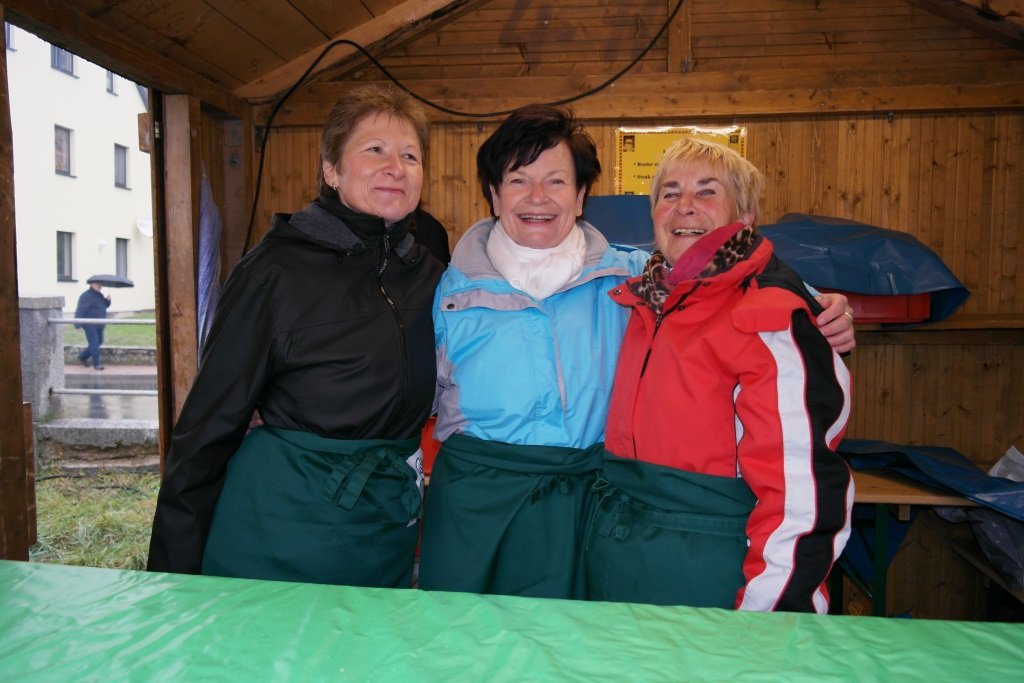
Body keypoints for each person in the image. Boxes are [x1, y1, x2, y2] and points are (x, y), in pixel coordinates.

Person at [417, 105, 855, 600]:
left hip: (591, 506)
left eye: (556, 181)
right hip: (478, 508)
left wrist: (825, 308)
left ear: (581, 196)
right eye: (518, 180)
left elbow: (734, 279)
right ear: (494, 195)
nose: (538, 197)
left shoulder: (633, 280)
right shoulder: (445, 291)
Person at [147, 84, 445, 587]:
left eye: (410, 156)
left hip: (384, 519)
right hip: (283, 521)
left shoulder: (432, 276)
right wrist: (171, 579)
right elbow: (208, 427)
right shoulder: (274, 271)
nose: (395, 167)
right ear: (331, 170)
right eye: (375, 149)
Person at [585, 137, 853, 613]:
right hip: (621, 559)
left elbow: (802, 492)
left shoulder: (773, 315)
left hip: (713, 569)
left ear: (745, 216)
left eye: (707, 192)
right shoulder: (643, 297)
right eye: (669, 193)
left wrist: (772, 616)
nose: (684, 206)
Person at [74, 281, 110, 370]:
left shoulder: (100, 295)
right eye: (98, 284)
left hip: (99, 323)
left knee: (100, 341)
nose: (100, 286)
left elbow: (104, 306)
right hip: (89, 324)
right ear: (92, 284)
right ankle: (97, 364)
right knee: (94, 343)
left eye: (101, 284)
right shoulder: (86, 296)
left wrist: (108, 300)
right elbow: (80, 310)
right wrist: (77, 324)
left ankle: (82, 357)